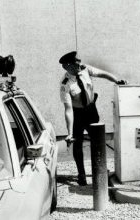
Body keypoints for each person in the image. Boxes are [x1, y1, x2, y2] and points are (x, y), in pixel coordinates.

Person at [59, 51, 126, 186]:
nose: (79, 63)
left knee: (98, 142)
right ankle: (81, 174)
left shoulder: (85, 69)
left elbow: (103, 74)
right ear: (67, 66)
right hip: (77, 114)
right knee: (77, 145)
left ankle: (100, 170)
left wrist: (116, 80)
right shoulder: (65, 84)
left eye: (79, 60)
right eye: (76, 62)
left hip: (91, 112)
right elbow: (68, 109)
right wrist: (70, 131)